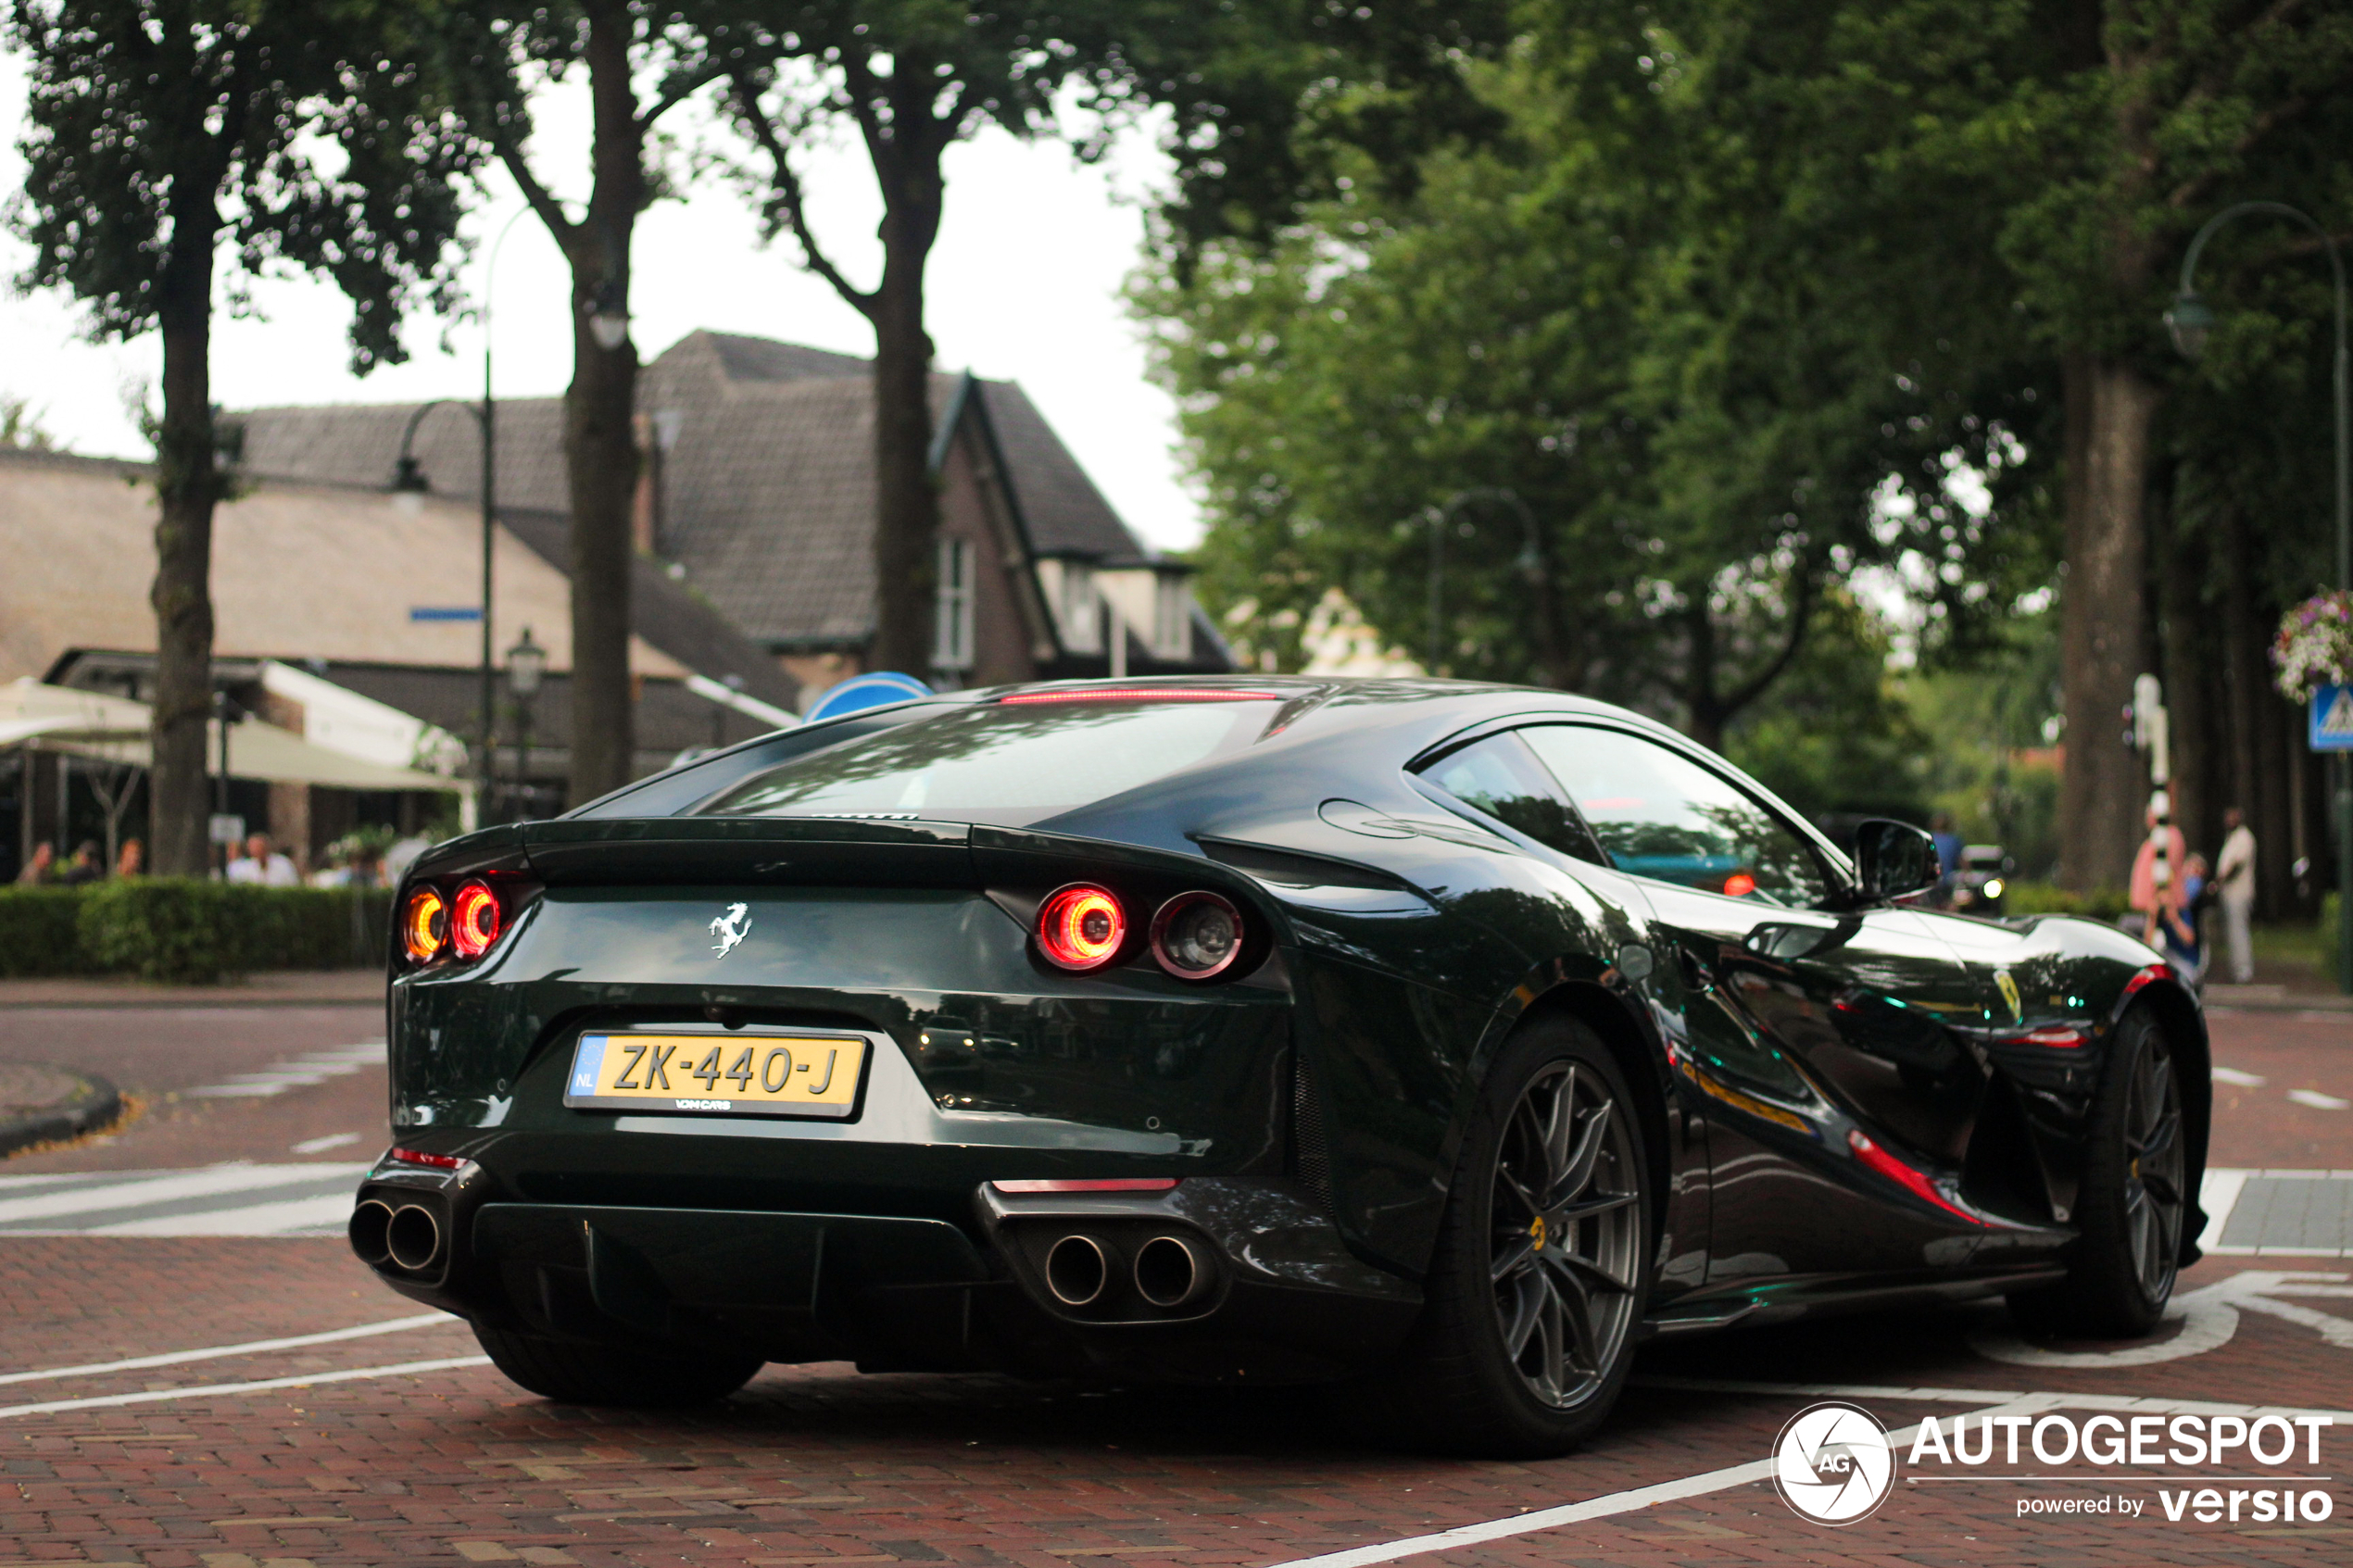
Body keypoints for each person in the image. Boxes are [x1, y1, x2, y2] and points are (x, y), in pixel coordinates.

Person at [2129, 792, 2187, 946]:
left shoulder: (2170, 836)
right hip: (2148, 908)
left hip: (2162, 907)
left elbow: (2168, 868)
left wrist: (2161, 897)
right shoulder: (2155, 837)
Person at [2215, 807, 2258, 985]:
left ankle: (2244, 969)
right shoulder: (2232, 838)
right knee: (2232, 931)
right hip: (2229, 893)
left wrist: (2220, 880)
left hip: (2238, 893)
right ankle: (2236, 968)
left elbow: (2237, 864)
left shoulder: (2244, 838)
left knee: (2238, 930)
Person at [2158, 852, 2210, 985]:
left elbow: (2188, 938)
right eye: (2191, 867)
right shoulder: (2172, 891)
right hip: (2169, 953)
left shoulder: (2193, 889)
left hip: (2187, 958)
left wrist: (2174, 914)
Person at [225, 833, 298, 887]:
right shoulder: (241, 868)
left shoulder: (283, 863)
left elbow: (293, 884)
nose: (257, 850)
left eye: (259, 847)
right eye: (253, 847)